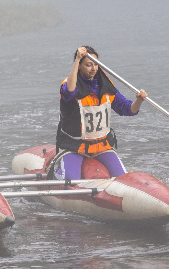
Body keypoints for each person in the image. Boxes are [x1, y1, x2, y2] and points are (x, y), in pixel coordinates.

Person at [54, 46, 148, 180]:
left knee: (123, 178)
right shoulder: (69, 84)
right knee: (71, 181)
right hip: (75, 146)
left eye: (95, 65)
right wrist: (77, 59)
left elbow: (128, 109)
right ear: (79, 66)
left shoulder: (106, 86)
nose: (93, 68)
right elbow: (69, 92)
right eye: (88, 65)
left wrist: (139, 100)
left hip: (101, 146)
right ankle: (56, 172)